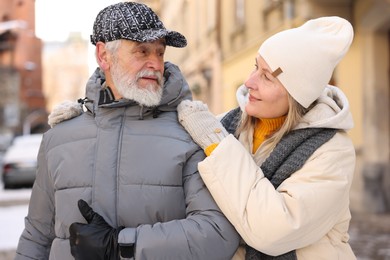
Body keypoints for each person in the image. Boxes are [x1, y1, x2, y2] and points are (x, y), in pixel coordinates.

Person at [15, 2, 239, 259]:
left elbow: (218, 233)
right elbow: (36, 237)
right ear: (103, 56)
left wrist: (121, 245)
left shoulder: (188, 135)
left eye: (160, 53)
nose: (156, 64)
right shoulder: (58, 139)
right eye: (142, 51)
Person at [177, 16, 356, 259]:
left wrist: (216, 145)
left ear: (296, 95)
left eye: (267, 76)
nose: (249, 82)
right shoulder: (228, 126)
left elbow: (272, 231)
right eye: (255, 67)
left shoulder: (333, 151)